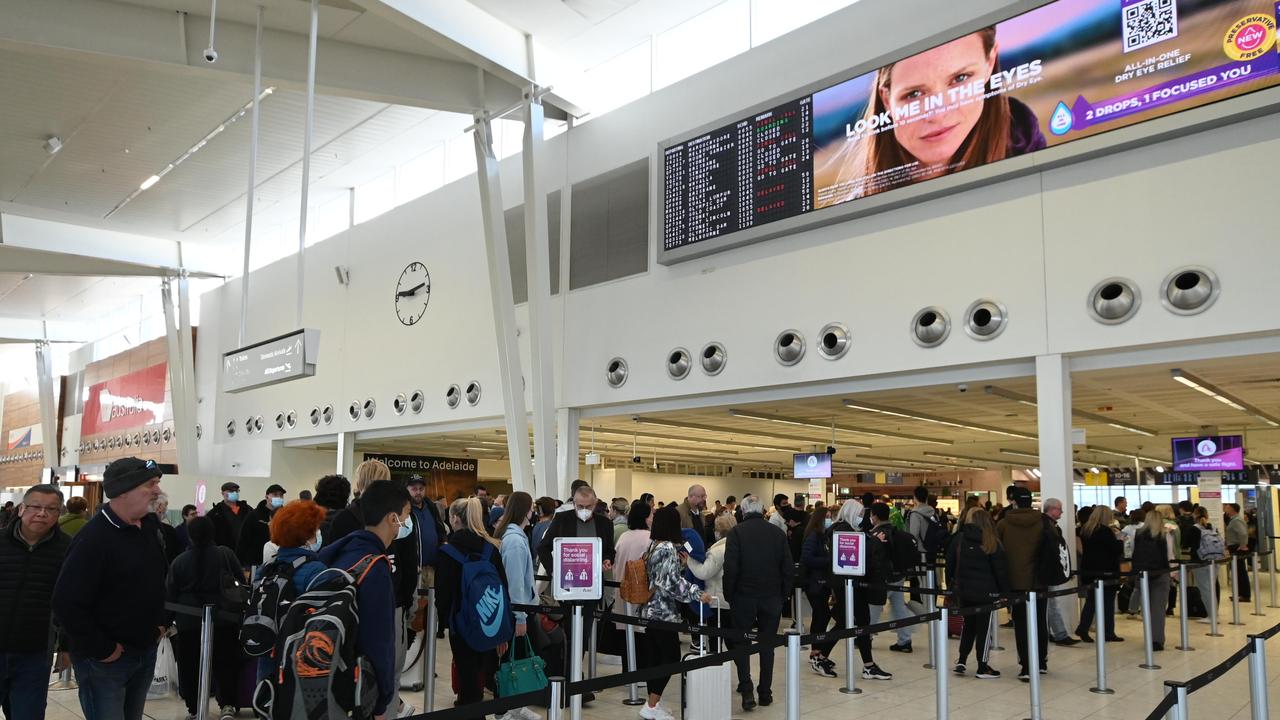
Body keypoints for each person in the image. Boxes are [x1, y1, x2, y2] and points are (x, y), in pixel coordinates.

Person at [820, 26, 1045, 205]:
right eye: (914, 94)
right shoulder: (857, 213)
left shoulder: (1025, 146)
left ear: (990, 63)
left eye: (960, 79)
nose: (938, 113)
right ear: (887, 100)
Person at [53, 457, 167, 720]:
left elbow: (157, 581)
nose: (157, 491)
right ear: (124, 490)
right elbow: (65, 603)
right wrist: (102, 648)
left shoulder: (149, 529)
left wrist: (160, 624)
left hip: (143, 651)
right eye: (151, 484)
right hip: (105, 661)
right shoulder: (94, 538)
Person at [327, 461, 419, 718]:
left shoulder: (344, 519)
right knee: (386, 673)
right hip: (389, 604)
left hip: (344, 610)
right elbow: (410, 567)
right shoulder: (393, 524)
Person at [1, 484, 72, 720]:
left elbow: (71, 603)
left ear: (58, 514)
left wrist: (66, 647)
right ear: (21, 509)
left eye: (51, 509)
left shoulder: (69, 549)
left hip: (35, 653)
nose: (42, 513)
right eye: (36, 507)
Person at [537, 484, 615, 694]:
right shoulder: (562, 520)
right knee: (569, 634)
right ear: (573, 503)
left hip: (591, 588)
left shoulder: (605, 524)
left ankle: (575, 677)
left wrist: (607, 560)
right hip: (568, 588)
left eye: (588, 506)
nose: (584, 509)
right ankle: (568, 677)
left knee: (584, 633)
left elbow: (609, 550)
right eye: (580, 505)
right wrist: (556, 571)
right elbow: (542, 547)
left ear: (595, 503)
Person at [435, 498, 510, 718]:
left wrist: (444, 623)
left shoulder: (448, 552)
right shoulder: (490, 548)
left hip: (461, 624)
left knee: (467, 677)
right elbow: (503, 589)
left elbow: (443, 594)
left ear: (456, 518)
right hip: (490, 621)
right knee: (484, 671)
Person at [166, 516, 245, 720]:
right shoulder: (225, 554)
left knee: (190, 664)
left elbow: (170, 593)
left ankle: (194, 707)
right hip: (224, 618)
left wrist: (165, 622)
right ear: (213, 532)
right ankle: (227, 704)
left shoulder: (179, 561)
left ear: (190, 535)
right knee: (225, 661)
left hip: (188, 621)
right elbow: (240, 581)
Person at [637, 506, 712, 720]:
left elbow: (660, 577)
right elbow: (671, 584)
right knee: (670, 657)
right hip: (663, 612)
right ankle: (651, 706)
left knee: (655, 657)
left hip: (650, 610)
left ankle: (653, 703)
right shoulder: (667, 547)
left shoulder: (654, 545)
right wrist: (697, 593)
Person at [723, 495, 794, 710]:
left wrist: (729, 594)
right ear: (763, 510)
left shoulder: (737, 532)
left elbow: (731, 567)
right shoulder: (777, 532)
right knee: (767, 645)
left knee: (742, 643)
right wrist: (784, 594)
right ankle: (765, 692)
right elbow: (787, 567)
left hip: (743, 596)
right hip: (771, 597)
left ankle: (746, 690)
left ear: (743, 512)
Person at [253, 500, 328, 682]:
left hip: (267, 655)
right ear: (307, 533)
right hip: (302, 661)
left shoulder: (266, 567)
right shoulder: (316, 570)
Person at [946, 509, 1008, 678]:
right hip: (986, 594)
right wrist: (1004, 592)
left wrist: (951, 586)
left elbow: (949, 564)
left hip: (964, 591)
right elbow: (1000, 571)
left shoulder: (959, 539)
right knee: (984, 629)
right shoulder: (991, 542)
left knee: (968, 626)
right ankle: (982, 665)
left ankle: (961, 660)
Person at [996, 486, 1048, 680]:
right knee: (1040, 621)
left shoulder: (1003, 524)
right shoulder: (1043, 522)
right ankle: (1041, 661)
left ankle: (1026, 665)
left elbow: (997, 551)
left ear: (1014, 501)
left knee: (1022, 625)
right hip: (1040, 580)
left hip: (1015, 582)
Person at [798, 507, 838, 677]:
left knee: (822, 616)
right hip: (815, 583)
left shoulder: (823, 536)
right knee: (821, 615)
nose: (828, 520)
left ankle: (817, 652)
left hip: (821, 583)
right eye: (826, 517)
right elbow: (806, 558)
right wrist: (828, 560)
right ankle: (816, 653)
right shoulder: (814, 536)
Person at [1075, 506, 1123, 643]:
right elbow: (1115, 549)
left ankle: (1083, 627)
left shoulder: (1085, 530)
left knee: (1091, 601)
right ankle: (1108, 632)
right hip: (1106, 571)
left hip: (1089, 570)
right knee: (1107, 602)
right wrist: (1120, 540)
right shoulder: (1105, 531)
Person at [1131, 507, 1175, 651]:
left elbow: (1134, 553)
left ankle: (1148, 637)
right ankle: (1157, 640)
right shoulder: (1165, 535)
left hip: (1143, 574)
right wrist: (1174, 574)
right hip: (1160, 573)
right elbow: (1170, 555)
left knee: (1146, 609)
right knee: (1158, 609)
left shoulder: (1137, 533)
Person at [687, 512, 736, 617]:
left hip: (718, 602)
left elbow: (704, 572)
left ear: (719, 531)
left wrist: (689, 560)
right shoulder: (737, 547)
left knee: (717, 632)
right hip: (734, 600)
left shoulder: (718, 551)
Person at [406, 474, 447, 590]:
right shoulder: (404, 511)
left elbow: (440, 530)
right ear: (407, 490)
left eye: (421, 489)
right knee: (415, 605)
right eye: (414, 489)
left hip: (432, 568)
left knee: (431, 605)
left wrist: (443, 542)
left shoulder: (431, 507)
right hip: (414, 569)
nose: (418, 492)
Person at [236, 483, 286, 567]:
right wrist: (241, 564)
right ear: (267, 497)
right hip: (256, 562)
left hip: (280, 561)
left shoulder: (286, 516)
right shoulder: (254, 515)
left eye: (281, 495)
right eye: (275, 495)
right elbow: (243, 540)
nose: (279, 498)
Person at [1191, 507, 1221, 621]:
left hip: (1201, 562)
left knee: (1205, 589)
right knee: (1211, 588)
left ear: (1195, 515)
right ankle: (1214, 614)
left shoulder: (1195, 528)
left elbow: (1189, 544)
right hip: (1215, 560)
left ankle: (1212, 616)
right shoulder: (1213, 527)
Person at [206, 481, 253, 552]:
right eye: (231, 491)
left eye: (236, 491)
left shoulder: (246, 509)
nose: (234, 493)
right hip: (224, 552)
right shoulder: (215, 513)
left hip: (245, 551)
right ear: (222, 493)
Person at [1225, 503, 1250, 601]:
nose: (1226, 510)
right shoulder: (1234, 520)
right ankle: (1239, 593)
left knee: (1240, 572)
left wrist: (1243, 545)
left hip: (1237, 548)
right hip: (1234, 547)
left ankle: (1245, 595)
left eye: (1227, 508)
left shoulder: (1236, 521)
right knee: (1237, 571)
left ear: (1233, 510)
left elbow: (1243, 533)